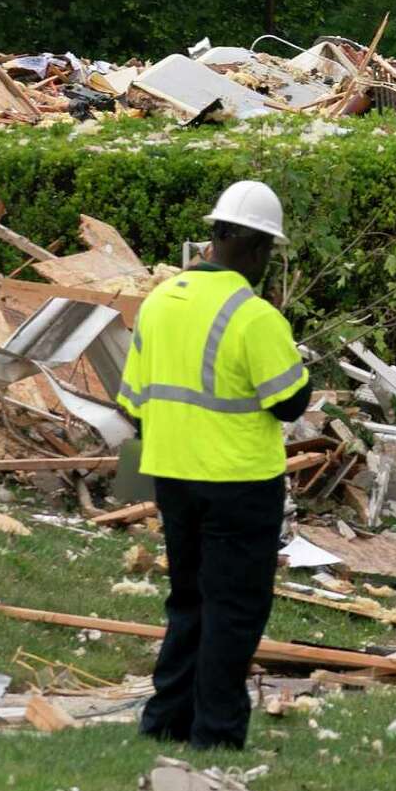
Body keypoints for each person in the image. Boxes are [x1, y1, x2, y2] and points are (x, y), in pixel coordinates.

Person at [117, 181, 311, 749]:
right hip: (239, 483)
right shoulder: (254, 316)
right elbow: (291, 402)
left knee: (188, 601)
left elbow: (131, 404)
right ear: (256, 248)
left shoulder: (159, 301)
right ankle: (216, 734)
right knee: (234, 610)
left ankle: (165, 721)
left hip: (172, 475)